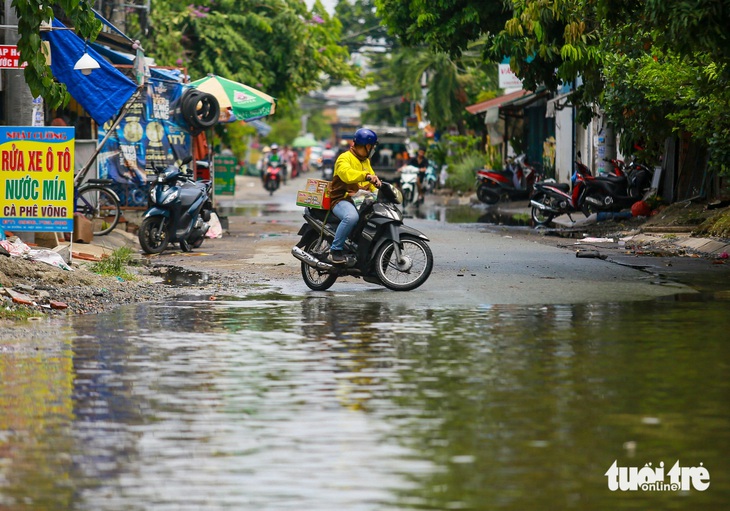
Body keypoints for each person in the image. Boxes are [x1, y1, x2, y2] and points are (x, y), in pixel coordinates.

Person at [327, 128, 382, 265]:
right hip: (341, 199)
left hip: (359, 200)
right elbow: (346, 174)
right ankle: (335, 251)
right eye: (372, 146)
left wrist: (379, 188)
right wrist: (366, 176)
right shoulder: (344, 158)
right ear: (367, 146)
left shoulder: (365, 161)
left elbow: (372, 182)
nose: (373, 149)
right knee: (351, 217)